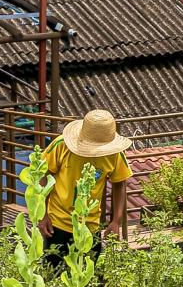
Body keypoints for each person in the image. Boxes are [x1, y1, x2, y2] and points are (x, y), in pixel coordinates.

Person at [37, 109, 134, 266]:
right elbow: (43, 176)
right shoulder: (62, 145)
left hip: (90, 224)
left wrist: (116, 221)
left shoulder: (114, 153)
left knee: (86, 279)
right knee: (52, 280)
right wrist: (43, 214)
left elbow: (120, 183)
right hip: (58, 223)